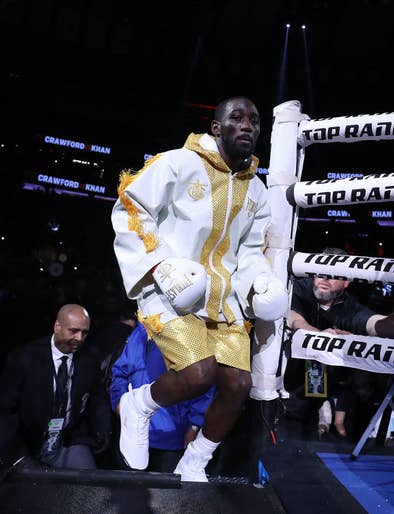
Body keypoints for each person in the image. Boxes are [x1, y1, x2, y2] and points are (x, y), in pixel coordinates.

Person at [111, 96, 287, 481]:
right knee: (197, 374)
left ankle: (195, 461)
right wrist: (161, 265)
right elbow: (130, 207)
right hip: (174, 291)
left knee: (239, 384)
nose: (247, 126)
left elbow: (251, 250)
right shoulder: (176, 162)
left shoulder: (256, 189)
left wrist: (259, 282)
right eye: (237, 119)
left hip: (224, 299)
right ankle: (139, 404)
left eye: (254, 121)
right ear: (216, 128)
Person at [287, 247, 394, 438]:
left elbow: (381, 325)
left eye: (333, 274)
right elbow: (295, 320)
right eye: (321, 271)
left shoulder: (348, 307)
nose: (324, 277)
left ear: (347, 281)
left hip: (316, 395)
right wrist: (321, 337)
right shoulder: (297, 288)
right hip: (281, 387)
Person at [0, 304, 112, 469]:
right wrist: (17, 455)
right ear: (57, 326)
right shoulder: (25, 358)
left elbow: (97, 396)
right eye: (74, 331)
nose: (80, 338)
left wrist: (102, 430)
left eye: (84, 332)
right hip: (28, 442)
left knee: (88, 486)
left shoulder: (90, 359)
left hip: (69, 440)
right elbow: (5, 410)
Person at [110, 322, 215, 472]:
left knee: (165, 493)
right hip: (130, 434)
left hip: (170, 437)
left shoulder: (185, 331)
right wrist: (119, 401)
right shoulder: (139, 332)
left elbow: (205, 383)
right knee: (129, 492)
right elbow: (120, 371)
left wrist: (194, 424)